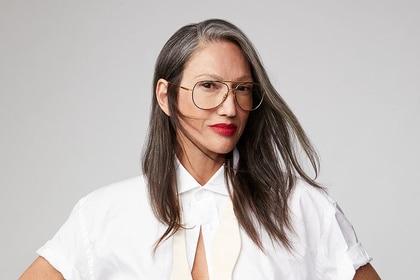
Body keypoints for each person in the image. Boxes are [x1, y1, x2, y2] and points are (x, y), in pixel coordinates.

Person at [20, 19, 380, 279]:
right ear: (166, 96)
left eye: (242, 88)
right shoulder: (104, 214)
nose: (229, 107)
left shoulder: (302, 207)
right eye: (208, 85)